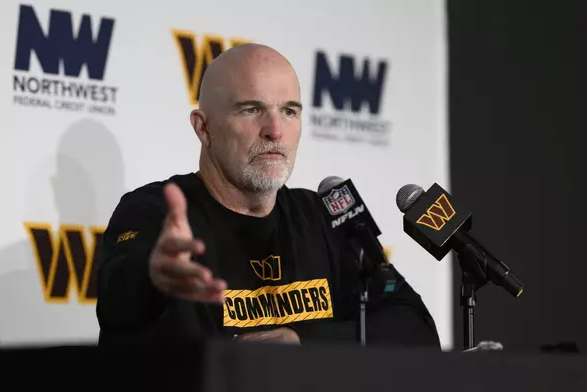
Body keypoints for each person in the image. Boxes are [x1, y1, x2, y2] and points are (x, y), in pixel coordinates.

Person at [95, 43, 440, 349]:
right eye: (250, 109)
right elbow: (117, 304)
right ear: (203, 127)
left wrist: (304, 344)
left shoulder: (325, 216)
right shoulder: (154, 210)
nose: (275, 131)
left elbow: (416, 328)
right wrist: (152, 278)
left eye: (289, 111)